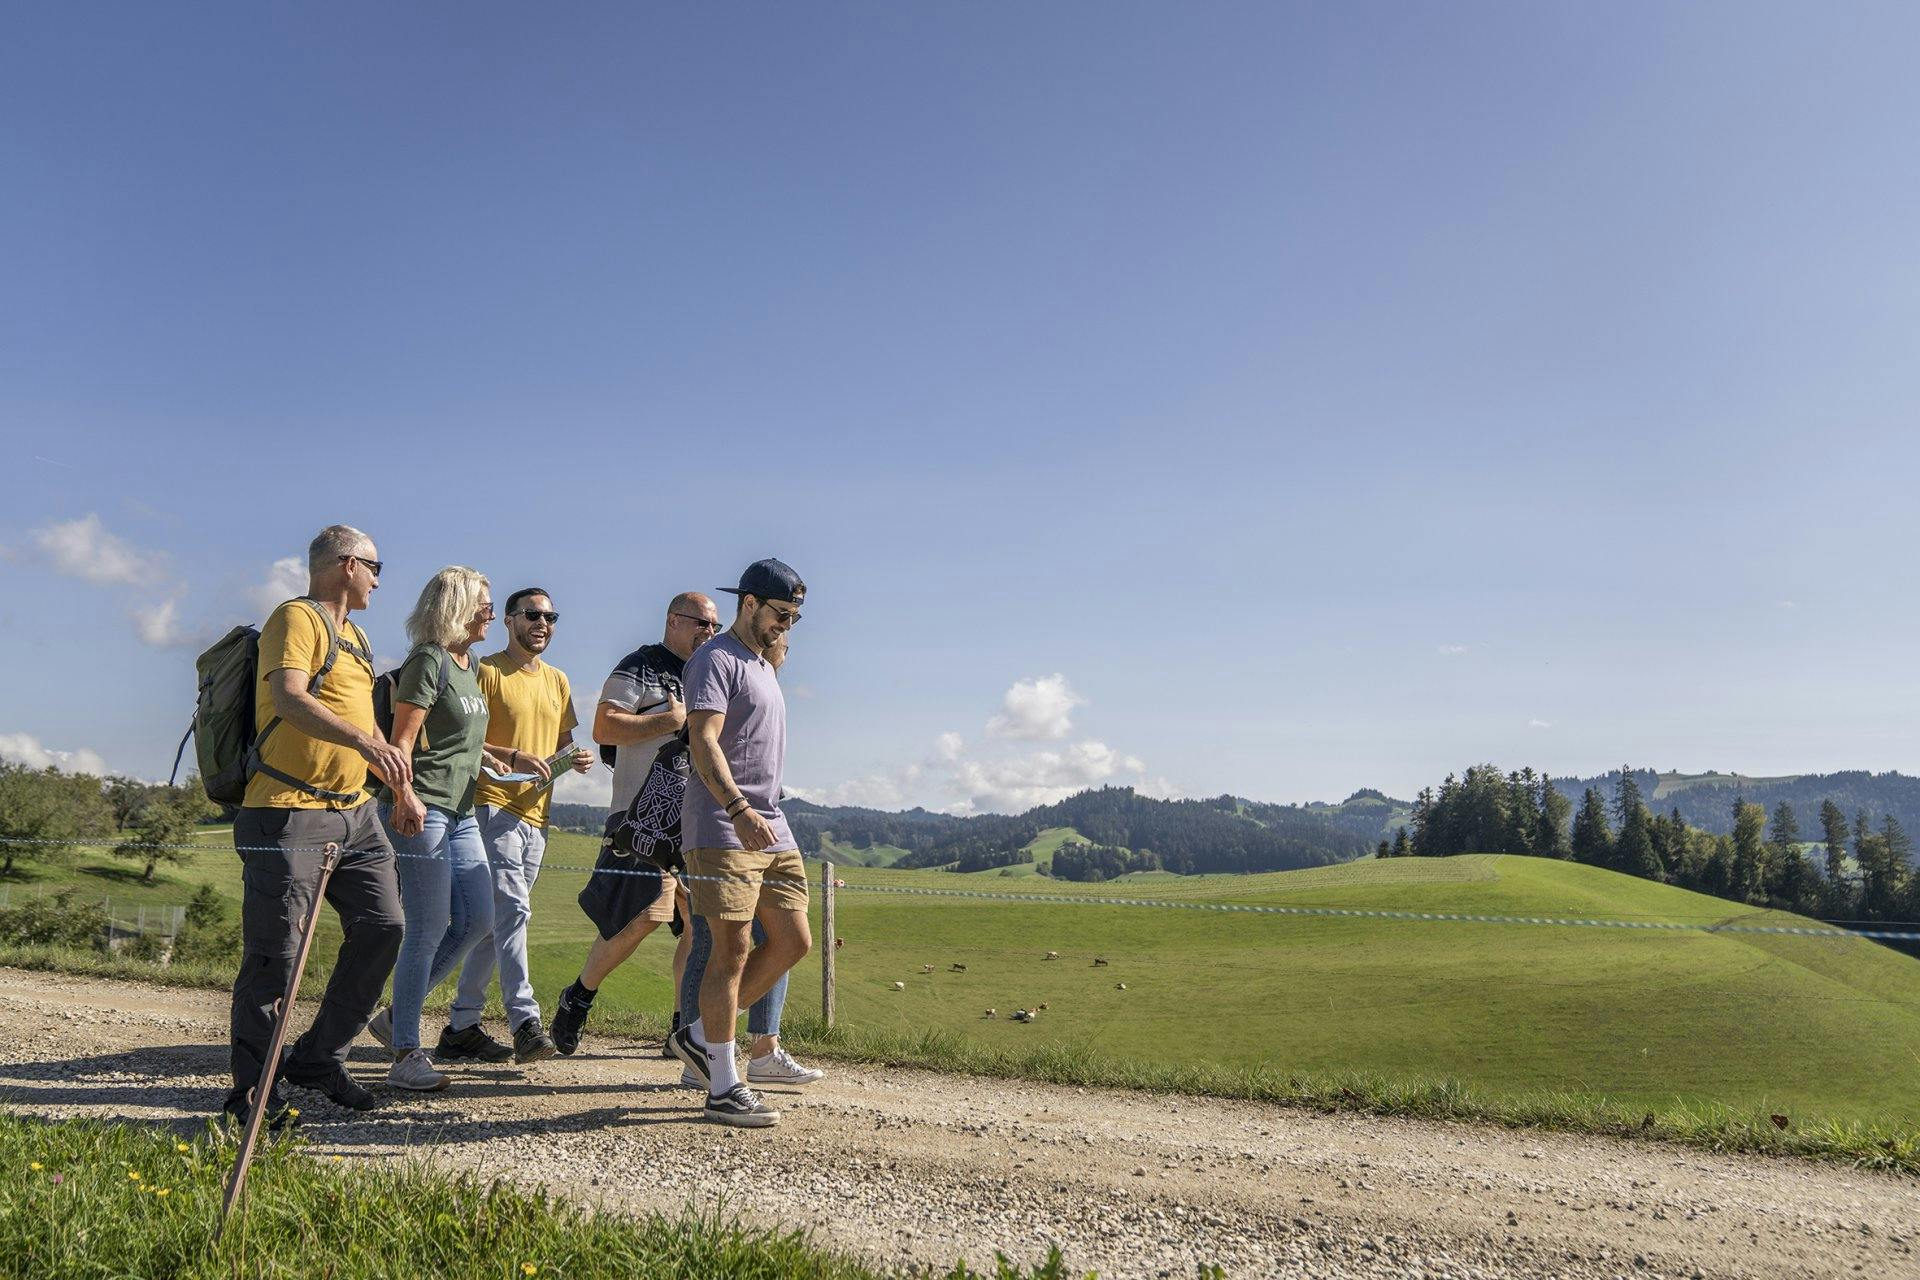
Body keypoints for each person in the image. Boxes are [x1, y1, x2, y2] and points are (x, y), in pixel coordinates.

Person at [225, 524, 408, 1125]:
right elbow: (290, 698)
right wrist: (361, 738)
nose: (381, 579)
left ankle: (317, 1059)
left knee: (384, 927)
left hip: (356, 813)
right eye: (376, 567)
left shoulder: (356, 636)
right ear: (347, 564)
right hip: (286, 811)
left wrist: (401, 788)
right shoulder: (295, 618)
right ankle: (253, 1094)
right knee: (276, 954)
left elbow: (367, 723)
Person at [366, 568, 550, 1090]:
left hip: (462, 810)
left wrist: (506, 755)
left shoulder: (466, 667)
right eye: (484, 605)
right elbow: (402, 741)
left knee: (478, 919)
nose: (491, 614)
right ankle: (405, 1054)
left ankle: (394, 1016)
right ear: (457, 607)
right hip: (422, 808)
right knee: (425, 929)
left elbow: (461, 741)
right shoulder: (429, 659)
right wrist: (403, 795)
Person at [668, 558, 811, 1127]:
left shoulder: (763, 666)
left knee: (793, 939)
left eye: (795, 618)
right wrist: (737, 807)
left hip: (770, 823)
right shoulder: (714, 658)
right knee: (730, 950)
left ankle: (702, 1036)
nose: (787, 626)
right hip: (725, 824)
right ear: (749, 603)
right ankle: (724, 1084)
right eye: (781, 614)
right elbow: (703, 740)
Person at [550, 593, 718, 1056]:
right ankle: (579, 996)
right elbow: (605, 728)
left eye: (714, 627)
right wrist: (670, 719)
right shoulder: (640, 665)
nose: (709, 633)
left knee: (696, 923)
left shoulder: (709, 672)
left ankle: (682, 1029)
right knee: (645, 915)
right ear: (673, 621)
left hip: (699, 820)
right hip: (643, 815)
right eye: (701, 623)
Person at [445, 587, 593, 1064]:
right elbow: (467, 739)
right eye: (532, 615)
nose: (543, 624)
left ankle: (461, 1025)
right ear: (509, 620)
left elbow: (560, 745)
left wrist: (574, 759)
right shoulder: (487, 671)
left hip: (538, 817)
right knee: (513, 914)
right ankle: (526, 1022)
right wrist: (509, 760)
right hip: (491, 807)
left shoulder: (558, 680)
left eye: (551, 616)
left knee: (494, 926)